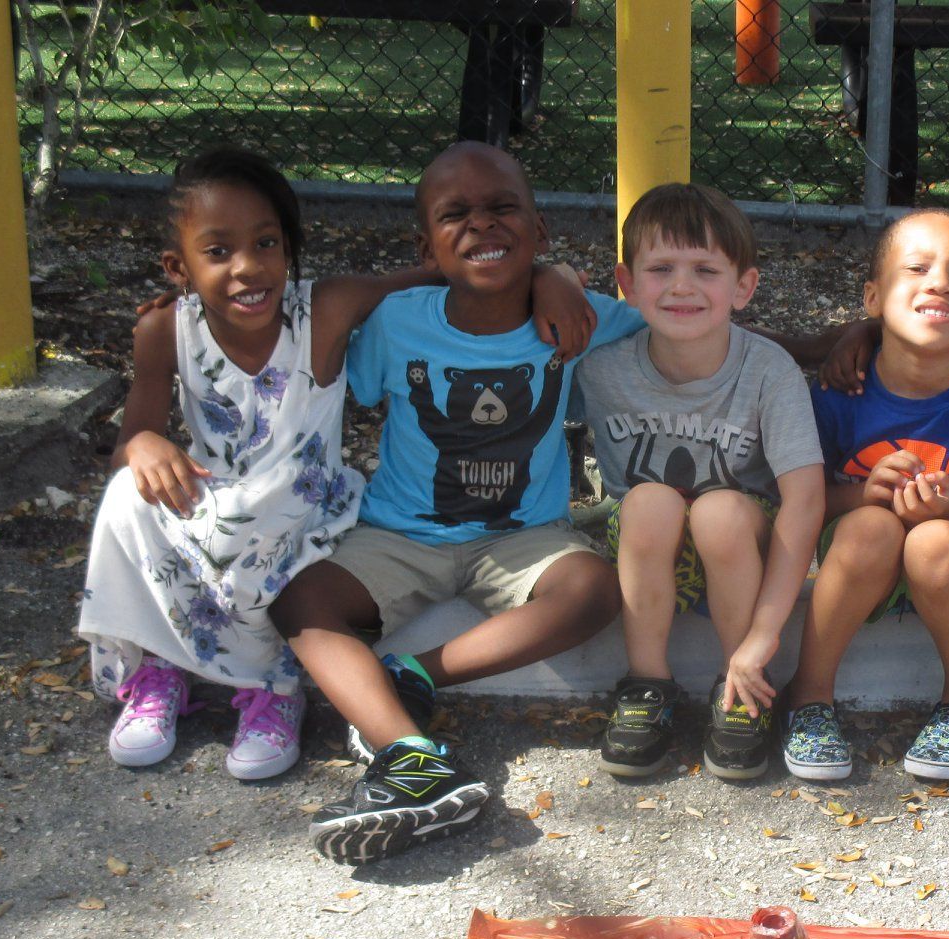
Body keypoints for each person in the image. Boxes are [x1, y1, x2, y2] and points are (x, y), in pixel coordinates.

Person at [269, 142, 637, 863]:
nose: (481, 226)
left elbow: (694, 334)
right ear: (425, 243)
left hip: (525, 537)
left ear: (539, 230)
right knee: (301, 603)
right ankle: (411, 758)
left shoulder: (582, 318)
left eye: (503, 209)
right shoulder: (397, 322)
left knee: (594, 589)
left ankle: (412, 677)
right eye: (455, 216)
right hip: (400, 533)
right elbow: (332, 332)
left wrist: (841, 341)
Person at [79, 146, 444, 781]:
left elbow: (436, 276)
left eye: (267, 243)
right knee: (125, 496)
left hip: (301, 509)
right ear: (179, 267)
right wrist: (142, 445)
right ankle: (160, 668)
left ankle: (273, 690)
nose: (248, 268)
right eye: (218, 252)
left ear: (288, 249)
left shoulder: (323, 309)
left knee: (261, 517)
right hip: (210, 500)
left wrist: (550, 280)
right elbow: (133, 434)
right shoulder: (165, 329)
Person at [780, 210, 949, 782]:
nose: (939, 283)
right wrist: (861, 497)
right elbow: (797, 500)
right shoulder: (837, 394)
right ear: (873, 297)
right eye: (917, 268)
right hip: (860, 556)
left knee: (933, 542)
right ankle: (808, 698)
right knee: (871, 528)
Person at [577, 183, 825, 780]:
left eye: (705, 269)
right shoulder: (598, 366)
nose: (682, 286)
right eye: (660, 268)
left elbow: (805, 498)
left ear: (744, 286)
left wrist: (765, 635)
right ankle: (647, 684)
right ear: (627, 283)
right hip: (644, 547)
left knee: (718, 508)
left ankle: (740, 682)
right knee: (652, 501)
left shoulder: (769, 370)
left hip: (739, 550)